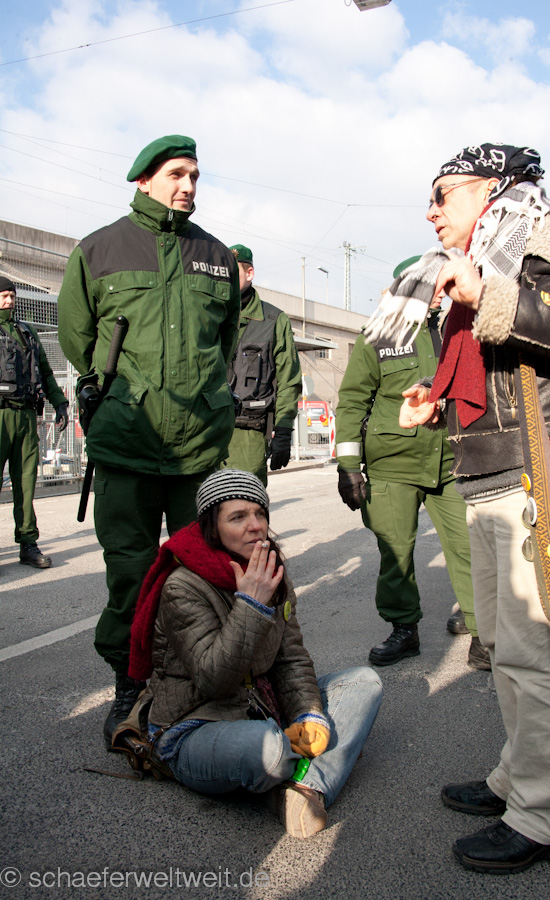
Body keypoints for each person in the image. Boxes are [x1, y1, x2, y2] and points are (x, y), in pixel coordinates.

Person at [397, 143, 550, 872]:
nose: (431, 210)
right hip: (485, 476)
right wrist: (436, 398)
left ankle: (545, 819)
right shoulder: (476, 257)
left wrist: (489, 293)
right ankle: (516, 781)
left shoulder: (548, 238)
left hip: (535, 476)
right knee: (507, 652)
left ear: (489, 188)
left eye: (442, 193)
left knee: (533, 657)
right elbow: (491, 373)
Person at [58, 135, 241, 749]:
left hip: (197, 447)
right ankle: (129, 684)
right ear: (143, 180)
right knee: (131, 575)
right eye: (176, 174)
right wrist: (122, 394)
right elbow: (78, 338)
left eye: (195, 176)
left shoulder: (216, 255)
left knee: (203, 572)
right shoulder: (98, 250)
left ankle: (199, 680)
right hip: (126, 443)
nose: (187, 186)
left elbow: (225, 341)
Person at [127, 468, 383, 838]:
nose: (255, 526)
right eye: (238, 517)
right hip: (196, 725)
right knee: (269, 751)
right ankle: (315, 766)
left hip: (263, 706)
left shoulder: (269, 568)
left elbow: (291, 657)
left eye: (260, 513)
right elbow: (214, 681)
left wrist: (308, 714)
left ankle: (303, 790)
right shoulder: (183, 585)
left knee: (365, 683)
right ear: (212, 526)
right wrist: (251, 605)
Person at [335, 257, 487, 670]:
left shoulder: (459, 328)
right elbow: (352, 401)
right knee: (396, 552)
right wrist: (348, 465)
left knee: (468, 547)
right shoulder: (378, 334)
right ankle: (404, 629)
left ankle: (482, 632)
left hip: (451, 461)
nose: (438, 292)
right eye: (429, 285)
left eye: (440, 285)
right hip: (392, 464)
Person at [0, 276, 69, 568]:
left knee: (26, 482)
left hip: (26, 415)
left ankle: (28, 542)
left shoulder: (27, 333)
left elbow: (46, 372)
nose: (9, 301)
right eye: (4, 296)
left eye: (12, 296)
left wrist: (60, 403)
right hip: (1, 415)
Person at [225, 244, 301, 485]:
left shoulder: (273, 320)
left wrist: (284, 430)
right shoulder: (209, 314)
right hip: (205, 433)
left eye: (233, 271)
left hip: (248, 435)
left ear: (249, 273)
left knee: (244, 500)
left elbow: (288, 380)